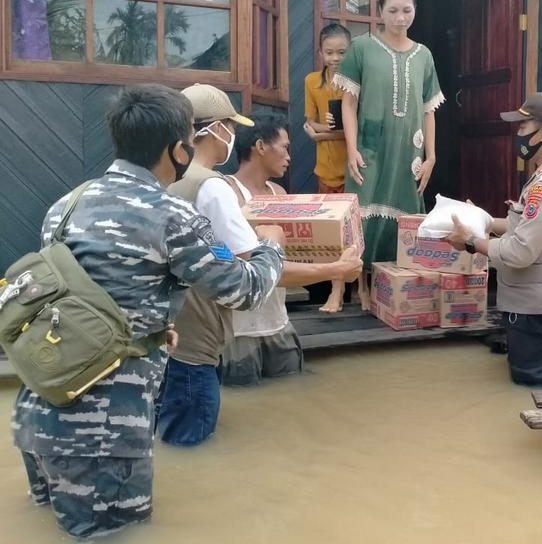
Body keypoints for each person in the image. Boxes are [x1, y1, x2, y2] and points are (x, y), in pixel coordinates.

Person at [10, 84, 286, 539]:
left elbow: (82, 295)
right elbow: (244, 290)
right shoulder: (172, 216)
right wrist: (271, 247)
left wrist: (157, 329)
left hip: (38, 406)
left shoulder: (67, 205)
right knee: (113, 535)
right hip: (102, 433)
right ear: (178, 149)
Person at [156, 87, 361, 445]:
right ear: (215, 129)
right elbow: (251, 267)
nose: (231, 137)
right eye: (229, 127)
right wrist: (330, 269)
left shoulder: (168, 181)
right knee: (195, 434)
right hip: (216, 336)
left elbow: (218, 257)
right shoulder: (215, 188)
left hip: (185, 334)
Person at [446, 92, 542, 386]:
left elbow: (521, 252)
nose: (517, 134)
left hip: (538, 316)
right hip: (537, 312)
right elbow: (527, 226)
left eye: (522, 127)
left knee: (534, 393)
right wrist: (484, 220)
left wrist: (470, 241)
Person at [334, 0, 444, 309]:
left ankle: (395, 291)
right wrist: (351, 148)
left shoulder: (423, 55)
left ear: (415, 12)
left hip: (408, 152)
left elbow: (429, 111)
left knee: (406, 218)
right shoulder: (362, 48)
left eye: (406, 10)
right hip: (369, 148)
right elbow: (348, 103)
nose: (400, 18)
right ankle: (359, 288)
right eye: (393, 10)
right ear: (380, 11)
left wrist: (431, 157)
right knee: (362, 213)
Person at [221, 114, 342, 385]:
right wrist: (334, 269)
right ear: (261, 146)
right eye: (284, 147)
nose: (289, 156)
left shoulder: (279, 194)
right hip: (239, 332)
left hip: (278, 323)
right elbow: (243, 265)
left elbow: (298, 254)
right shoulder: (226, 194)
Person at [304, 22, 353, 312]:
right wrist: (326, 130)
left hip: (355, 168)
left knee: (354, 232)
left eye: (342, 53)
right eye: (330, 52)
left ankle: (352, 290)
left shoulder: (356, 81)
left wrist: (321, 134)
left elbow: (356, 129)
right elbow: (310, 121)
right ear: (321, 52)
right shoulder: (312, 81)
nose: (335, 59)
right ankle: (335, 289)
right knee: (332, 233)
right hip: (327, 167)